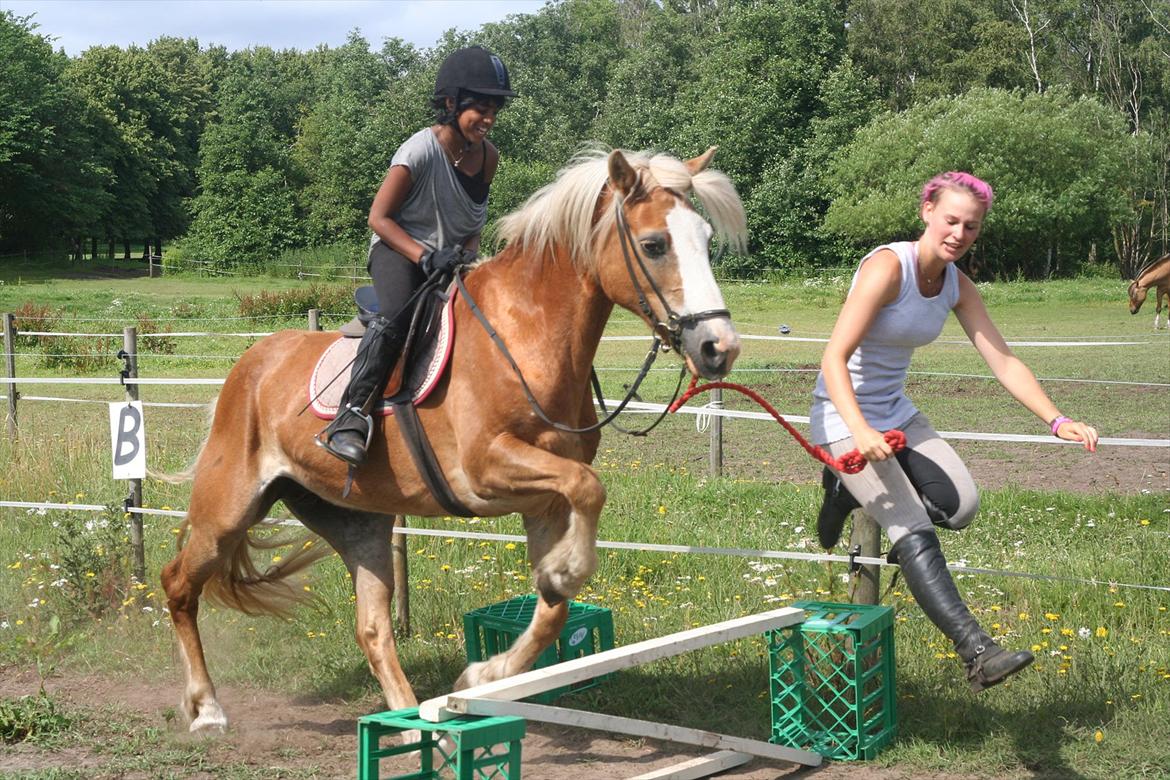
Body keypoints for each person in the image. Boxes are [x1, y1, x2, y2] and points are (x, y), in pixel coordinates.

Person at [809, 171, 1099, 692]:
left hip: (896, 412)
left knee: (960, 507)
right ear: (927, 212)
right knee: (912, 528)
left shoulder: (955, 285)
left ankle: (847, 491)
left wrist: (1057, 420)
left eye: (971, 226)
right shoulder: (886, 267)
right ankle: (979, 653)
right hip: (842, 415)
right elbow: (833, 357)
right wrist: (857, 428)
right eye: (951, 220)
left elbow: (1003, 360)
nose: (959, 233)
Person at [318, 46, 516, 466]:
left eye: (494, 110)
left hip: (451, 259)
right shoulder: (419, 151)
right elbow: (379, 217)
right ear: (451, 103)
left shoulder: (489, 158)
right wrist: (425, 257)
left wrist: (465, 256)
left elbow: (474, 223)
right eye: (480, 109)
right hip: (397, 252)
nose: (489, 119)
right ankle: (350, 414)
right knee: (398, 316)